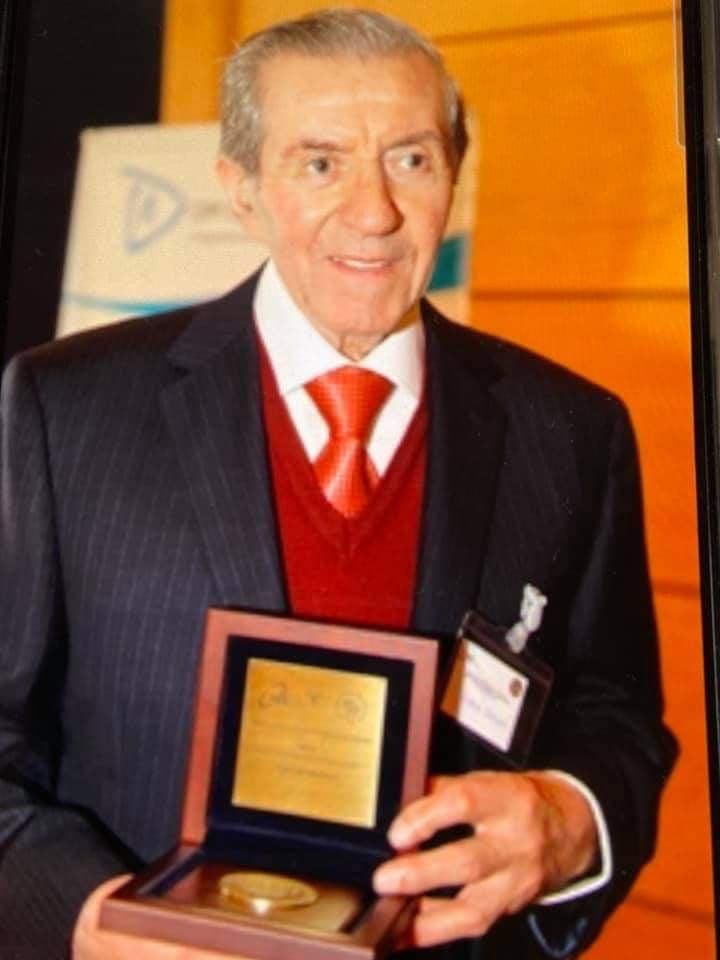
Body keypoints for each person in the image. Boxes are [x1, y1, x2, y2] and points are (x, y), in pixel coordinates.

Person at [0, 9, 676, 960]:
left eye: (411, 159)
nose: (375, 213)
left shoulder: (572, 430)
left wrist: (567, 820)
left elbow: (616, 715)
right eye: (320, 163)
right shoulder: (64, 410)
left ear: (454, 171)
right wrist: (89, 917)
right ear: (241, 188)